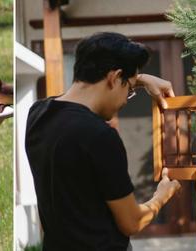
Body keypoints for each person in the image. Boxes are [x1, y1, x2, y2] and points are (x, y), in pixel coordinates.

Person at [25, 32, 181, 250]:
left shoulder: (38, 114)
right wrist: (162, 196)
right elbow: (132, 222)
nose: (126, 100)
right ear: (114, 77)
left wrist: (137, 80)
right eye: (128, 90)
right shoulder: (99, 135)